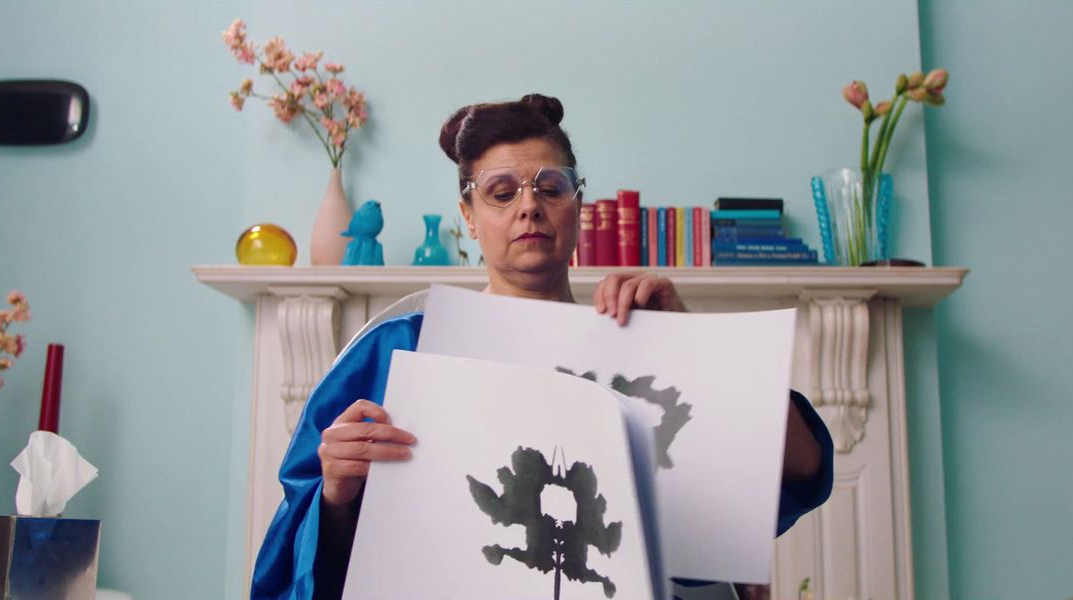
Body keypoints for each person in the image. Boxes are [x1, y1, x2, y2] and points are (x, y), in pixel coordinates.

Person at [251, 94, 834, 600]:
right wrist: (335, 493)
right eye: (501, 192)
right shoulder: (398, 349)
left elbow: (804, 470)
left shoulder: (639, 341)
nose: (528, 206)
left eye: (549, 186)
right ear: (468, 217)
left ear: (579, 205)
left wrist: (691, 345)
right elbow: (297, 552)